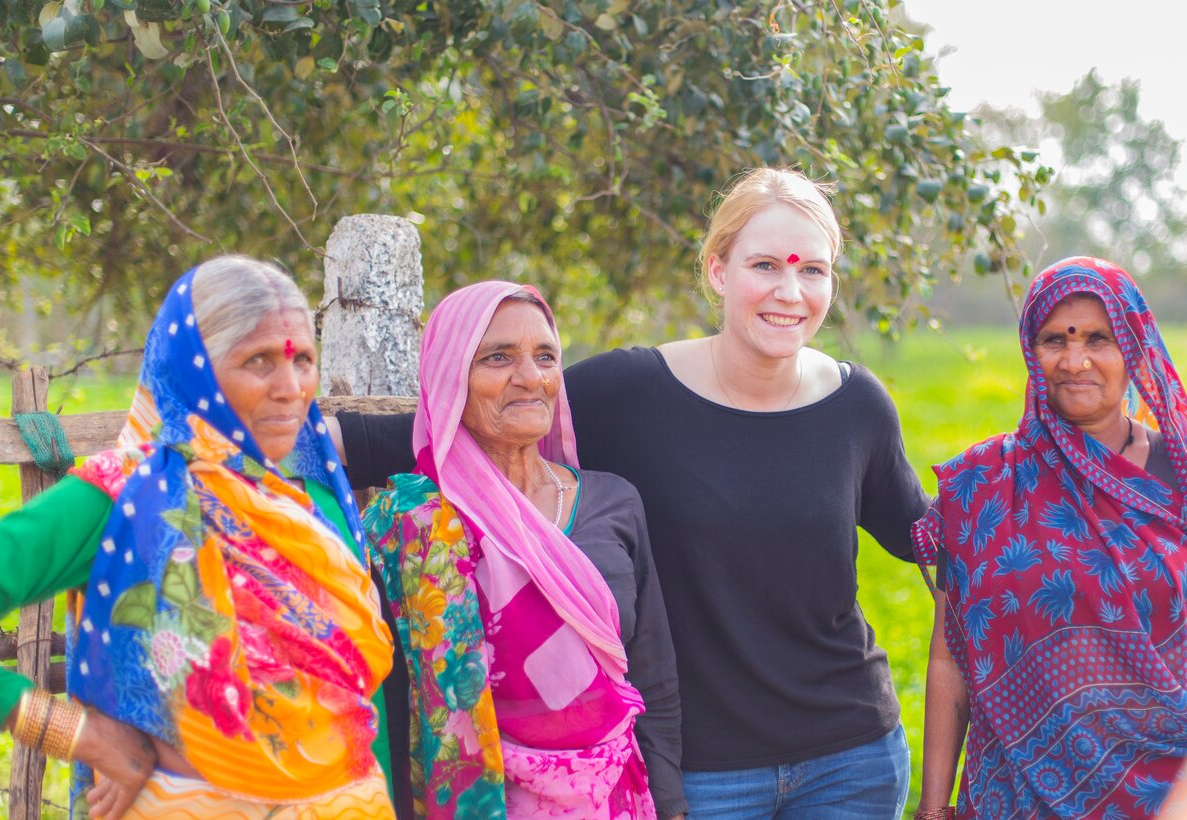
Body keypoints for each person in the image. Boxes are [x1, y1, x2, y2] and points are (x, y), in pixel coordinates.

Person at [333, 167, 928, 817]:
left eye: (813, 270)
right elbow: (460, 415)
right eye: (765, 265)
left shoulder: (857, 405)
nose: (790, 291)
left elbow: (939, 545)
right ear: (718, 270)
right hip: (703, 774)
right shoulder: (634, 390)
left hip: (851, 761)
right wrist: (279, 428)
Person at [0, 256, 397, 819]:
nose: (290, 388)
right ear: (194, 369)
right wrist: (81, 736)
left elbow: (351, 707)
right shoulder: (121, 495)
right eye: (259, 361)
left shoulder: (311, 504)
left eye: (302, 360)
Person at [361, 281, 682, 818]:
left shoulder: (614, 500)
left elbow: (653, 672)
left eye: (545, 356)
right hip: (484, 803)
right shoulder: (411, 528)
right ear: (449, 380)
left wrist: (670, 806)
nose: (531, 378)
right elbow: (392, 707)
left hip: (616, 799)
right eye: (498, 357)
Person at [912, 256, 1187, 818]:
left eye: (1098, 338)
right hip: (1013, 797)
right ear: (1030, 351)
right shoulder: (981, 485)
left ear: (1132, 347)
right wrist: (933, 807)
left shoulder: (1178, 475)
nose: (1075, 360)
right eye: (1053, 339)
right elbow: (948, 657)